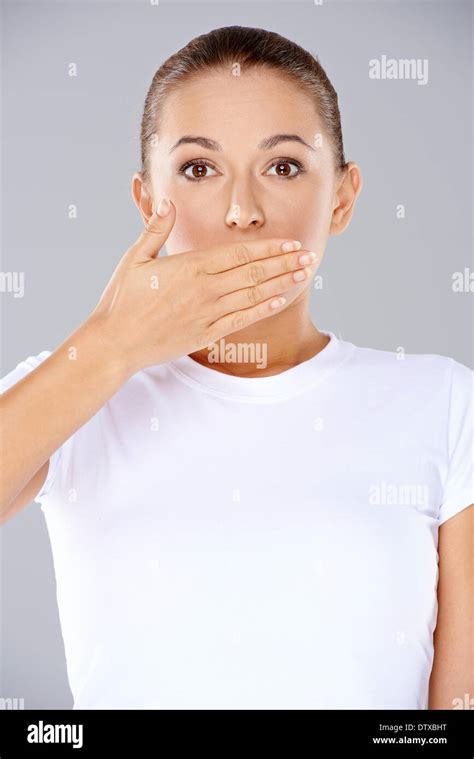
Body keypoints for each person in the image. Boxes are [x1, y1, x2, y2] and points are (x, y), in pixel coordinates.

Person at [1, 25, 472, 710]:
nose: (242, 211)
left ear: (341, 198)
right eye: (198, 168)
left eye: (283, 166)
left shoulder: (447, 402)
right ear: (145, 203)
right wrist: (112, 345)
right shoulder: (77, 389)